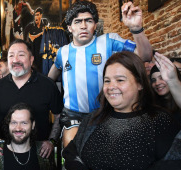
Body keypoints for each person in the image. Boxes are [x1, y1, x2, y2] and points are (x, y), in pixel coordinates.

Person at [48, 1, 152, 147]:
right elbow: (49, 80)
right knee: (74, 157)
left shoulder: (109, 41)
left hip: (104, 114)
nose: (83, 26)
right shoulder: (62, 52)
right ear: (70, 27)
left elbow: (145, 56)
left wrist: (136, 29)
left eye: (88, 21)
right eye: (78, 22)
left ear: (95, 25)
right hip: (73, 116)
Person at [0, 39, 63, 158]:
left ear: (31, 59)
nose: (15, 60)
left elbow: (59, 115)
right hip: (5, 153)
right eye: (11, 56)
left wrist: (52, 141)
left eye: (21, 55)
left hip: (40, 153)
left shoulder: (47, 85)